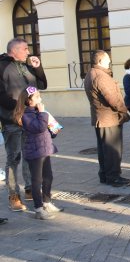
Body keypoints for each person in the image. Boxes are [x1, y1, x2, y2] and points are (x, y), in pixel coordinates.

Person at [0, 38, 46, 211]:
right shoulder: (2, 66)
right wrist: (22, 106)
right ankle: (14, 195)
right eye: (25, 49)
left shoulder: (27, 65)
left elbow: (42, 85)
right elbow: (1, 96)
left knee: (30, 154)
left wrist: (37, 67)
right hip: (11, 120)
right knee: (14, 157)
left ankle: (29, 189)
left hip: (30, 118)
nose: (29, 52)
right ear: (14, 50)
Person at [13, 86, 63, 220]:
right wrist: (43, 113)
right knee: (37, 180)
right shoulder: (25, 115)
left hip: (45, 149)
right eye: (37, 97)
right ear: (29, 101)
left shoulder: (38, 112)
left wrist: (53, 129)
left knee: (48, 177)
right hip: (34, 152)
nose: (40, 99)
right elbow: (39, 127)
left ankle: (47, 202)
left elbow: (45, 129)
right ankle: (38, 209)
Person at [83, 50, 130, 187]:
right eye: (107, 60)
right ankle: (113, 177)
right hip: (108, 118)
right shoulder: (100, 76)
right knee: (112, 150)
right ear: (99, 61)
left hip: (102, 118)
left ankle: (105, 175)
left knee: (105, 150)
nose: (109, 62)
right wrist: (124, 110)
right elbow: (113, 99)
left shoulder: (92, 73)